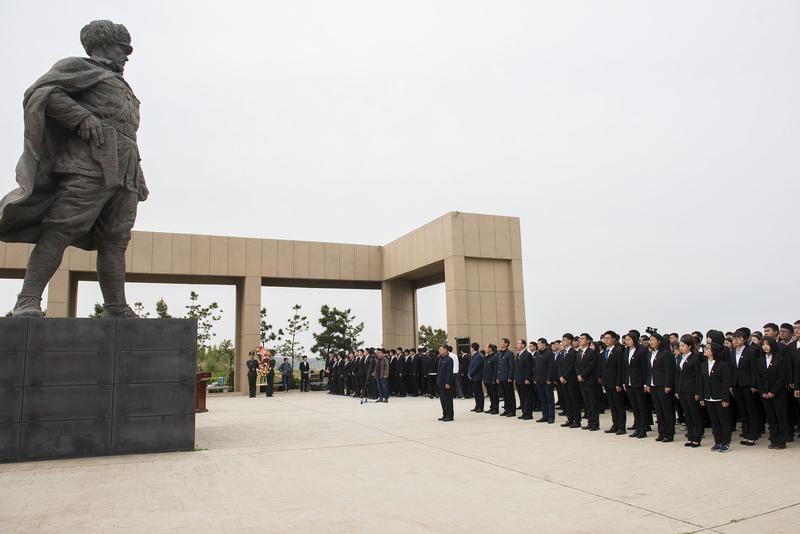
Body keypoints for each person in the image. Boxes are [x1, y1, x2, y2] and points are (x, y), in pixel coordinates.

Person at [1, 20, 149, 319]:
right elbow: (41, 94)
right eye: (124, 48)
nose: (127, 56)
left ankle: (116, 307)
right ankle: (28, 300)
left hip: (126, 169)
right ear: (105, 44)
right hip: (89, 165)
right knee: (60, 229)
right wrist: (81, 117)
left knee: (116, 239)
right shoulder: (76, 66)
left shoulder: (119, 83)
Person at [697, 343, 731, 452]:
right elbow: (701, 383)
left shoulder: (722, 365)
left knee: (723, 421)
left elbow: (726, 383)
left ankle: (725, 443)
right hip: (708, 397)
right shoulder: (703, 365)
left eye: (708, 348)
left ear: (714, 351)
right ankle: (718, 441)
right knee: (714, 421)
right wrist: (702, 397)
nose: (705, 350)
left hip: (720, 398)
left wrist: (725, 398)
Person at [756, 337, 789, 449]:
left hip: (778, 394)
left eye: (767, 344)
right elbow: (759, 378)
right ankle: (773, 440)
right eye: (763, 344)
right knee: (771, 418)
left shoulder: (780, 359)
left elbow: (782, 378)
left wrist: (773, 392)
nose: (765, 346)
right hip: (765, 394)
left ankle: (781, 441)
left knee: (781, 417)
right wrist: (763, 392)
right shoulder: (760, 360)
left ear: (773, 345)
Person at [730, 329, 760, 446]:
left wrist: (754, 385)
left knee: (751, 410)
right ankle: (746, 434)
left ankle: (753, 435)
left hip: (748, 385)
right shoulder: (732, 352)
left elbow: (754, 370)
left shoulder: (751, 351)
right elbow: (731, 369)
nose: (736, 340)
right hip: (736, 385)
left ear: (745, 339)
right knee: (742, 410)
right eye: (734, 338)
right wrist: (731, 385)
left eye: (739, 338)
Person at [646, 333, 676, 442]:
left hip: (663, 385)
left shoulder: (666, 354)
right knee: (659, 410)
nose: (651, 342)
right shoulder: (651, 354)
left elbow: (670, 371)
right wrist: (648, 383)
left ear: (659, 341)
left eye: (653, 340)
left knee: (667, 410)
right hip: (654, 385)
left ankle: (669, 433)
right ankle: (662, 432)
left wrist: (668, 385)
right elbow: (649, 370)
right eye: (650, 340)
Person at [676, 334, 702, 447]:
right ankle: (690, 435)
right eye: (680, 345)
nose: (681, 348)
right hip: (682, 389)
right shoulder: (680, 358)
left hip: (691, 390)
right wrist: (677, 390)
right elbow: (677, 375)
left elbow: (698, 377)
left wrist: (697, 392)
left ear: (690, 346)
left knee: (694, 414)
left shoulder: (695, 358)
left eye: (683, 345)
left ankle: (697, 437)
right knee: (687, 414)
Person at [622, 331, 648, 438]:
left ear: (634, 340)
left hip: (639, 382)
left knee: (641, 406)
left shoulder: (641, 351)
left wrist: (645, 383)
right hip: (629, 383)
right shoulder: (626, 351)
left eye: (629, 340)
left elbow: (644, 368)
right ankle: (637, 428)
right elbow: (625, 368)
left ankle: (643, 429)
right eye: (626, 340)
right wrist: (624, 381)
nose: (626, 342)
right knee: (634, 407)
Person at [600, 331, 625, 434]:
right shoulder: (605, 351)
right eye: (605, 338)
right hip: (607, 383)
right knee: (612, 406)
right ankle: (615, 425)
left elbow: (620, 369)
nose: (606, 340)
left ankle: (621, 427)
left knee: (619, 405)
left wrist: (619, 383)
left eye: (608, 338)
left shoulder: (618, 351)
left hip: (615, 383)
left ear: (613, 339)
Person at [576, 333, 599, 431]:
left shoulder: (592, 352)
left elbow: (591, 366)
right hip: (582, 382)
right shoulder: (579, 352)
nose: (580, 340)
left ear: (588, 341)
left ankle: (595, 424)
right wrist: (578, 374)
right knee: (587, 403)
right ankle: (590, 422)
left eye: (582, 338)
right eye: (580, 338)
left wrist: (583, 375)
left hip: (590, 381)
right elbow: (576, 365)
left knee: (593, 403)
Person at [559, 333, 580, 428]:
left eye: (564, 340)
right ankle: (570, 419)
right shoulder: (563, 352)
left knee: (574, 401)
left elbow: (572, 366)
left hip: (571, 380)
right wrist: (560, 376)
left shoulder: (573, 352)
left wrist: (565, 377)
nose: (562, 341)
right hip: (563, 380)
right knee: (567, 400)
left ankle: (577, 420)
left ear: (569, 341)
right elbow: (559, 367)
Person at [534, 338, 555, 423]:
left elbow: (551, 367)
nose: (537, 345)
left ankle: (551, 417)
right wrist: (535, 378)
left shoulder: (549, 353)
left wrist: (549, 378)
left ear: (544, 344)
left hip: (547, 380)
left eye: (539, 343)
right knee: (542, 399)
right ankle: (544, 416)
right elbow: (535, 367)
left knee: (549, 399)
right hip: (539, 380)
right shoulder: (538, 353)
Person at [514, 339, 534, 420]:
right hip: (518, 379)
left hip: (525, 380)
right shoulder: (518, 355)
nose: (517, 345)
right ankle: (524, 413)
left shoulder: (527, 354)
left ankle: (528, 414)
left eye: (518, 343)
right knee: (522, 397)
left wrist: (527, 378)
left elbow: (529, 368)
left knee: (527, 397)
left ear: (523, 345)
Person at [497, 338, 516, 417]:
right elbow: (499, 366)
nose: (500, 343)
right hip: (501, 377)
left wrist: (510, 377)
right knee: (504, 395)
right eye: (500, 342)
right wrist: (498, 377)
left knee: (510, 395)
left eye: (502, 342)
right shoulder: (500, 353)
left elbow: (511, 366)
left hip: (507, 378)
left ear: (506, 344)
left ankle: (512, 410)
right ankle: (507, 409)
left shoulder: (509, 353)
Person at [437, 344, 454, 421]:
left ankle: (450, 415)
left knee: (448, 400)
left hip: (446, 383)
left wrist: (448, 383)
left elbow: (449, 372)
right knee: (442, 400)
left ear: (445, 350)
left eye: (440, 349)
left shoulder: (449, 359)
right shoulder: (441, 359)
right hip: (440, 383)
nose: (439, 350)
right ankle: (445, 414)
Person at [467, 342, 485, 413]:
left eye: (471, 347)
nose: (470, 349)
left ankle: (480, 407)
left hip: (477, 377)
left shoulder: (479, 356)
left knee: (479, 392)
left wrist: (470, 374)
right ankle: (477, 406)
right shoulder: (473, 356)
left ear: (473, 348)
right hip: (473, 377)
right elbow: (471, 366)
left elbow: (476, 367)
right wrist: (469, 373)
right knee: (476, 392)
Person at [483, 344, 499, 414]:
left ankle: (495, 409)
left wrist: (494, 379)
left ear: (490, 349)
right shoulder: (487, 357)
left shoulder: (495, 357)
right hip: (486, 379)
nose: (485, 349)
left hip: (492, 380)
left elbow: (495, 369)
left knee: (494, 395)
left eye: (487, 347)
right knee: (490, 395)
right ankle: (492, 407)